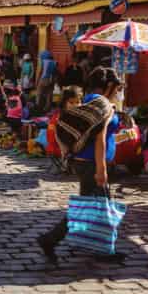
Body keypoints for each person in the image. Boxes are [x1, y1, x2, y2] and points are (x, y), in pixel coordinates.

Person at [37, 68, 125, 260]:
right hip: (92, 164)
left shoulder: (88, 100)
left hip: (84, 162)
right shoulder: (101, 103)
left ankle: (98, 247)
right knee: (92, 207)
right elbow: (100, 138)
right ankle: (51, 239)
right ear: (109, 86)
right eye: (116, 88)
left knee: (95, 206)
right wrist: (101, 170)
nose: (118, 92)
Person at [35, 50, 59, 114]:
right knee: (49, 95)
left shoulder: (44, 61)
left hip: (44, 79)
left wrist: (37, 81)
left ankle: (38, 107)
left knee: (39, 93)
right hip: (51, 80)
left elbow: (40, 72)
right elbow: (55, 73)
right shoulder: (55, 62)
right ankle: (47, 109)